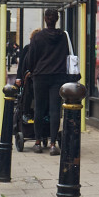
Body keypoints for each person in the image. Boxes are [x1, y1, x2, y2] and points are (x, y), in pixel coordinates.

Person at [23, 10, 70, 155]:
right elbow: (67, 55)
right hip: (58, 77)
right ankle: (53, 144)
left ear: (45, 19)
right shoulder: (63, 37)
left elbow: (31, 58)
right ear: (57, 19)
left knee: (39, 108)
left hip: (40, 76)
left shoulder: (37, 37)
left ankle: (37, 142)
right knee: (55, 110)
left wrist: (32, 70)